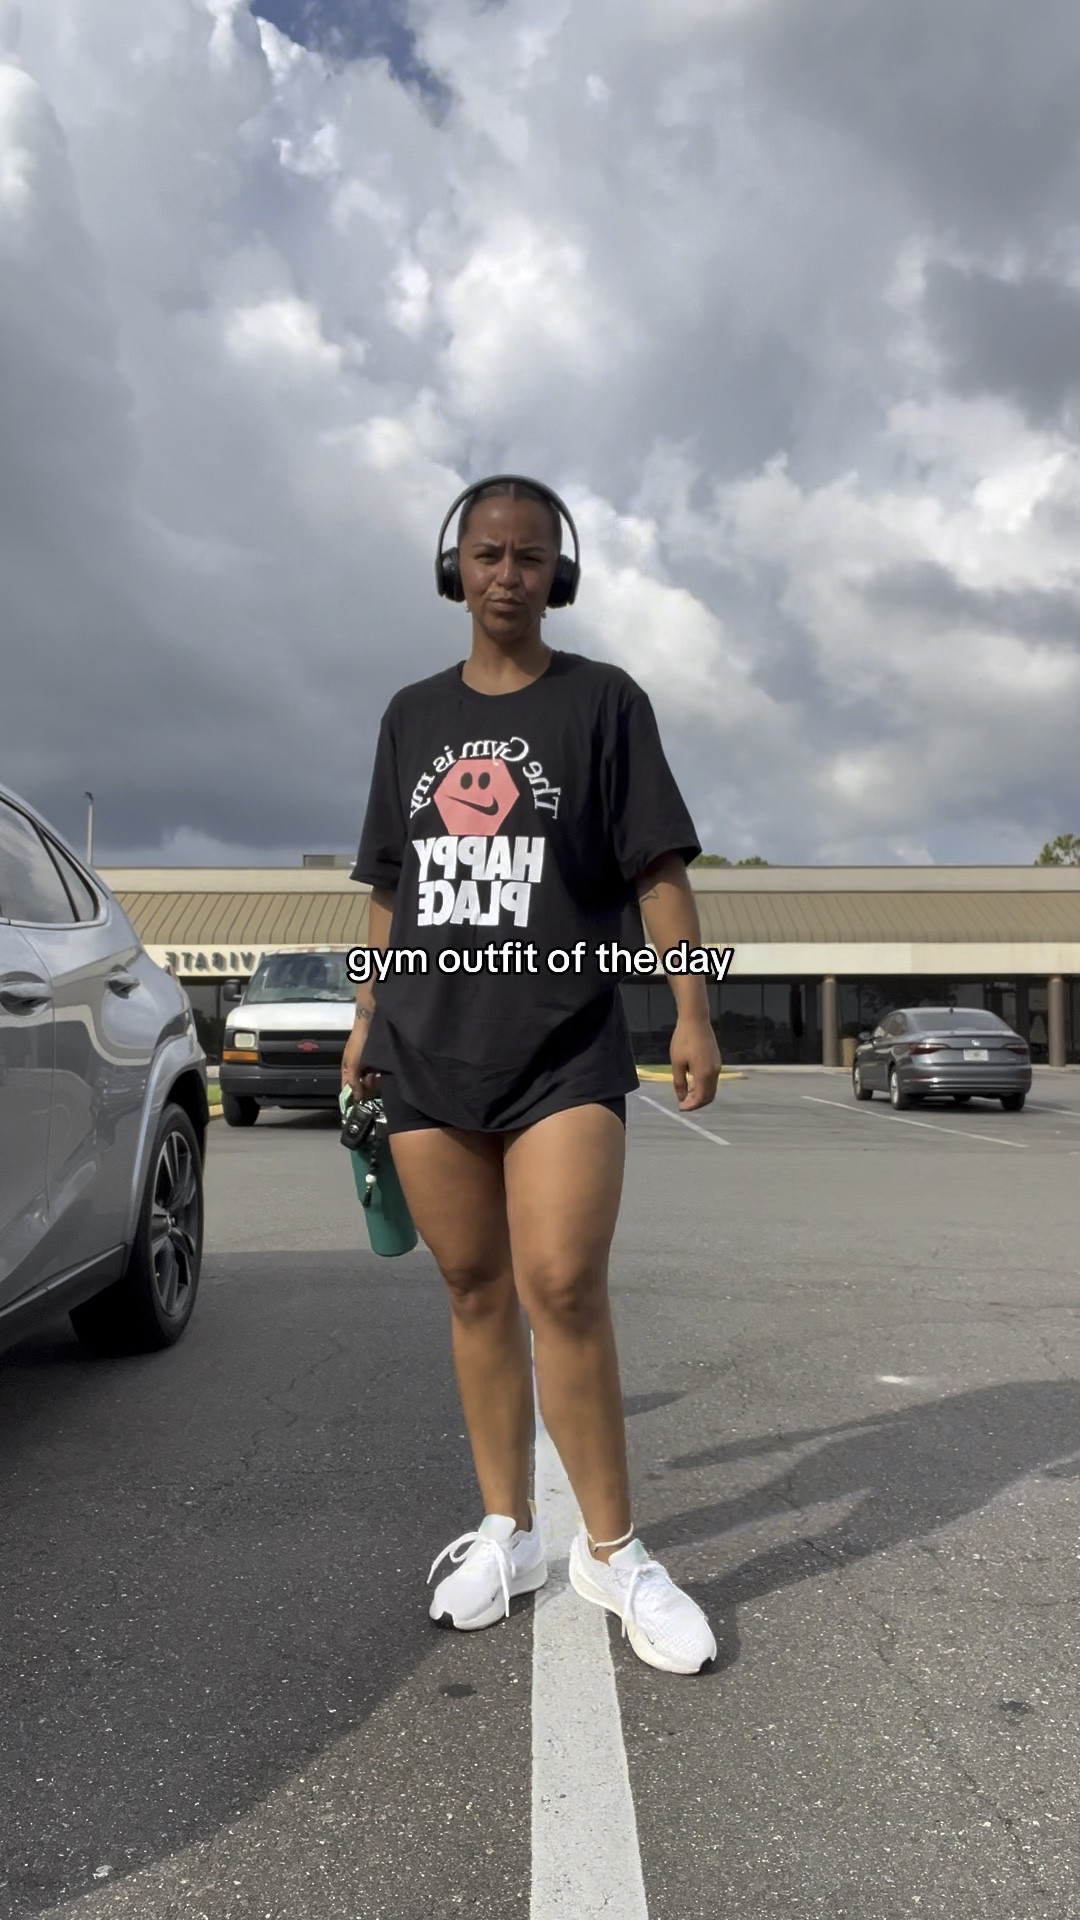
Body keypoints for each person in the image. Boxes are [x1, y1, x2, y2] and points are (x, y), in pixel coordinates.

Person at [342, 474, 723, 1675]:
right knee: (470, 1286)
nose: (509, 575)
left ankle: (611, 1549)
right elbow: (389, 888)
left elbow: (658, 870)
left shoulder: (605, 704)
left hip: (563, 1041)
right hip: (424, 1041)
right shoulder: (409, 716)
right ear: (454, 566)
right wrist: (364, 1016)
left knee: (560, 1283)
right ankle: (507, 1528)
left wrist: (692, 1008)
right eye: (489, 554)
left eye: (531, 557)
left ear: (562, 574)